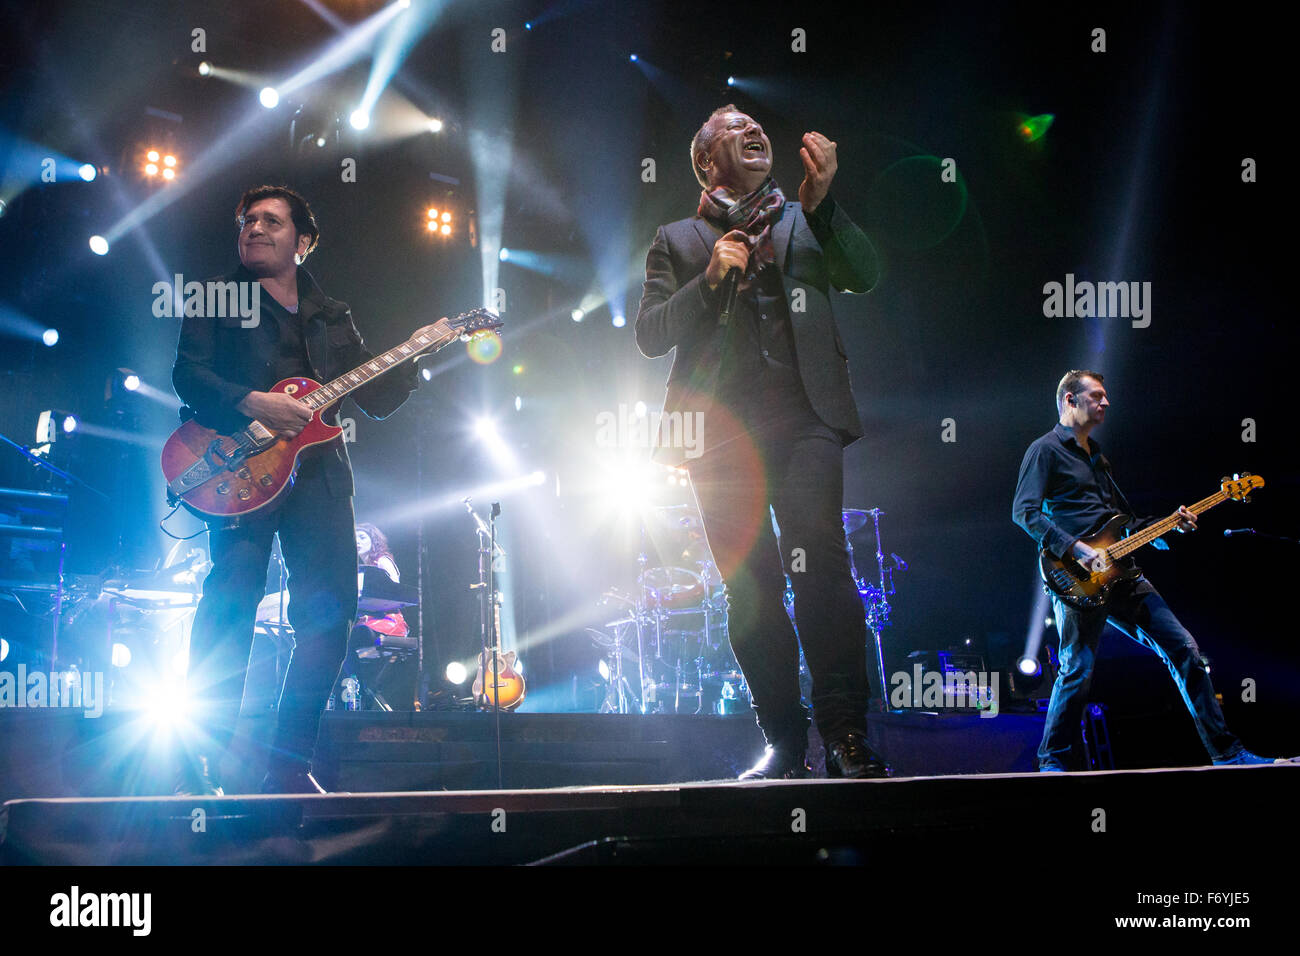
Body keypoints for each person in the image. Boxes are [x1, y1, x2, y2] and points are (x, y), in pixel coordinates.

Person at [635, 105, 888, 779]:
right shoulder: (679, 238)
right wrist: (710, 278)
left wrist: (827, 206)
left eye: (755, 125)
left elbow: (865, 275)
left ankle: (845, 735)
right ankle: (782, 739)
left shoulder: (805, 217)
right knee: (748, 588)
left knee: (823, 569)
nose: (752, 131)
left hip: (806, 416)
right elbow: (651, 333)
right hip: (718, 435)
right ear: (705, 161)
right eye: (731, 127)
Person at [172, 185, 418, 794]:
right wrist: (250, 401)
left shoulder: (331, 314)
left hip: (320, 477)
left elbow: (379, 401)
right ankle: (195, 765)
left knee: (329, 619)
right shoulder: (216, 297)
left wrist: (416, 354)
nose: (253, 228)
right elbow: (187, 374)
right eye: (247, 220)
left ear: (302, 242)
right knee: (229, 606)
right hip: (240, 471)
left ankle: (286, 765)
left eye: (271, 221)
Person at [1012, 370, 1275, 770]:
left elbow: (1125, 522)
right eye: (1097, 396)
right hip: (1076, 575)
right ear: (1070, 399)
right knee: (1078, 668)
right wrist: (1075, 547)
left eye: (1106, 396)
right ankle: (1052, 761)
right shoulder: (1045, 450)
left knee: (1184, 648)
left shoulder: (1099, 458)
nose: (1106, 403)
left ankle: (1228, 754)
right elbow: (1024, 512)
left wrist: (1169, 523)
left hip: (1123, 573)